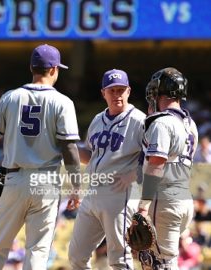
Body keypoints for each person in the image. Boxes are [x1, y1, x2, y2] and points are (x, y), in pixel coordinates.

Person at [0, 44, 81, 270]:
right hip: (46, 182)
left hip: (14, 179)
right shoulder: (63, 102)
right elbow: (70, 149)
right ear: (54, 69)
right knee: (38, 251)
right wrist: (76, 185)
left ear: (31, 67)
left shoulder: (10, 97)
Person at [68, 69, 146, 269]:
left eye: (121, 90)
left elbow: (156, 158)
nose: (117, 95)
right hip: (92, 193)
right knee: (76, 256)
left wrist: (136, 173)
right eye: (112, 90)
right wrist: (68, 149)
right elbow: (89, 155)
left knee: (119, 259)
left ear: (128, 91)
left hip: (118, 195)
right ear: (103, 93)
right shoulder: (96, 120)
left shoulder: (140, 121)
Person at [136, 67, 198, 269]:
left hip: (163, 200)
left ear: (157, 92)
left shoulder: (162, 123)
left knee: (158, 263)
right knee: (165, 260)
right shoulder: (190, 124)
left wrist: (143, 206)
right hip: (184, 200)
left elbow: (156, 164)